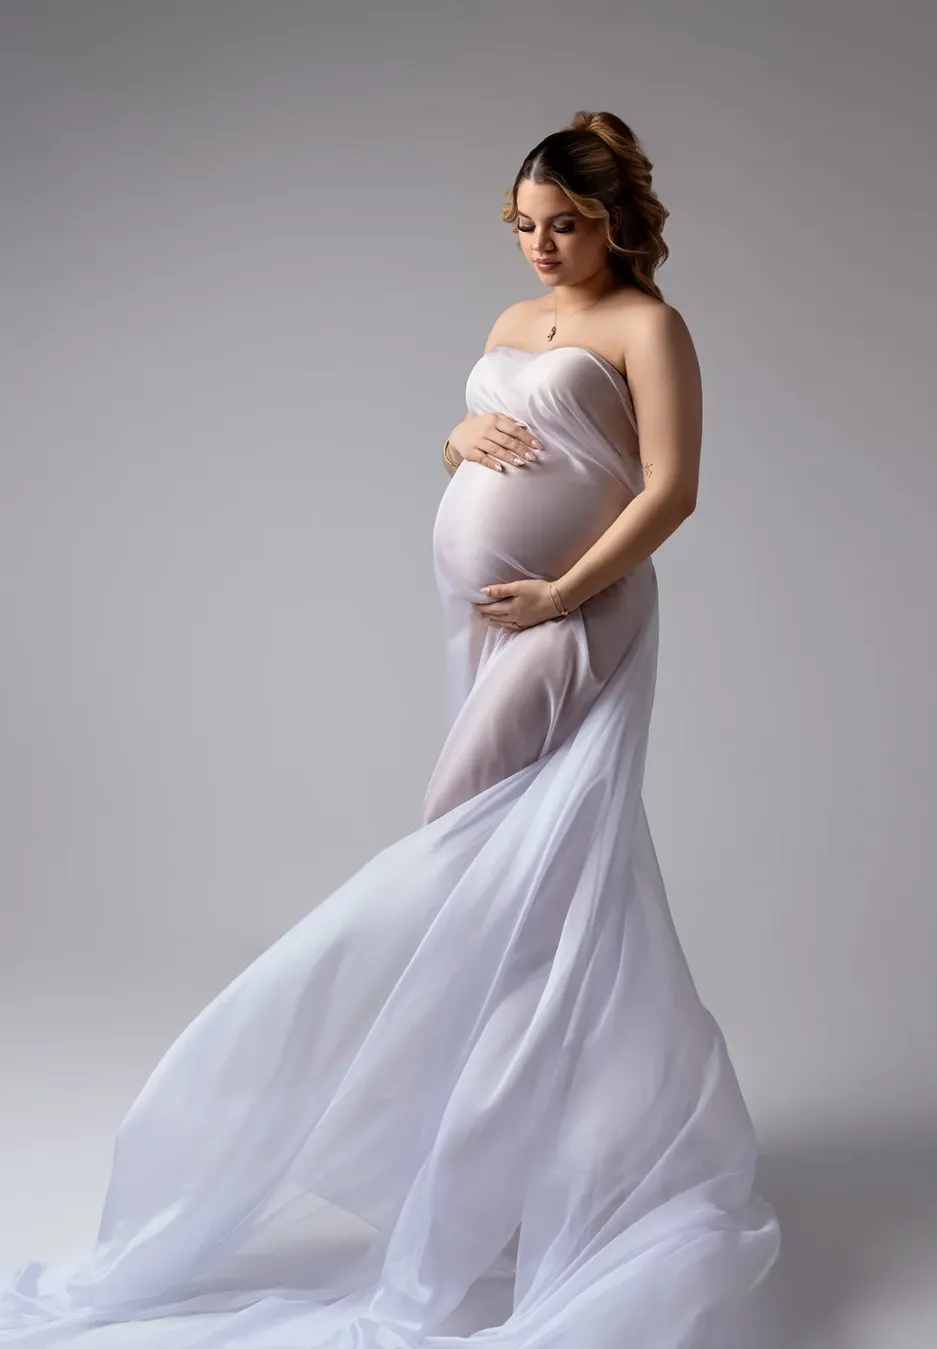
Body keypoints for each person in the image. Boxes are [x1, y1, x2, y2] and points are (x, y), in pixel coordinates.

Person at [0, 110, 780, 1348]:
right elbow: (491, 446)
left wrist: (563, 592)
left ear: (616, 219)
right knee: (527, 885)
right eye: (523, 225)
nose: (539, 245)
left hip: (578, 606)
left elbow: (671, 485)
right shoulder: (512, 323)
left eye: (564, 224)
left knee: (454, 840)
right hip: (482, 615)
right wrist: (454, 435)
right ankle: (543, 1136)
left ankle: (360, 1084)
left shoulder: (649, 326)